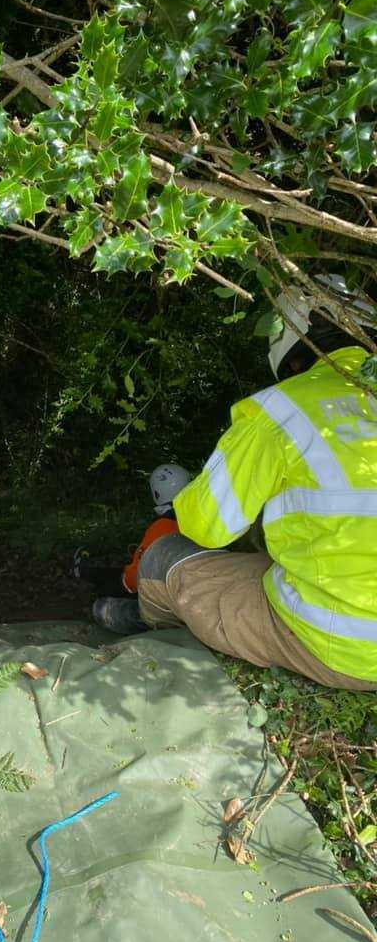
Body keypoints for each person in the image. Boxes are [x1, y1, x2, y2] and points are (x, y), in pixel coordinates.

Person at [101, 276, 377, 690]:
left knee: (163, 556)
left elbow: (205, 527)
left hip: (346, 648)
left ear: (290, 352)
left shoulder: (281, 410)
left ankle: (142, 618)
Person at [72, 464, 190, 632]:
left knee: (101, 608)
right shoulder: (200, 523)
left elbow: (132, 581)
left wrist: (105, 587)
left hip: (171, 611)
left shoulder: (162, 527)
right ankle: (86, 571)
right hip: (195, 601)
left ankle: (84, 572)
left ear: (157, 493)